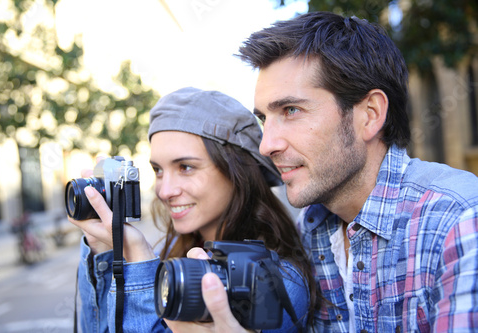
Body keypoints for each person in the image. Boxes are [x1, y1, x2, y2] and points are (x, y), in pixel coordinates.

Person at [168, 11, 478, 333]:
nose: (266, 145)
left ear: (369, 115)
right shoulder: (311, 231)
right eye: (264, 119)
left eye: (291, 110)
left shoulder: (458, 223)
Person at [68, 87, 319, 332]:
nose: (165, 191)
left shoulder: (275, 280)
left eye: (186, 167)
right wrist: (102, 249)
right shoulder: (171, 250)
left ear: (238, 173)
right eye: (158, 170)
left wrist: (136, 254)